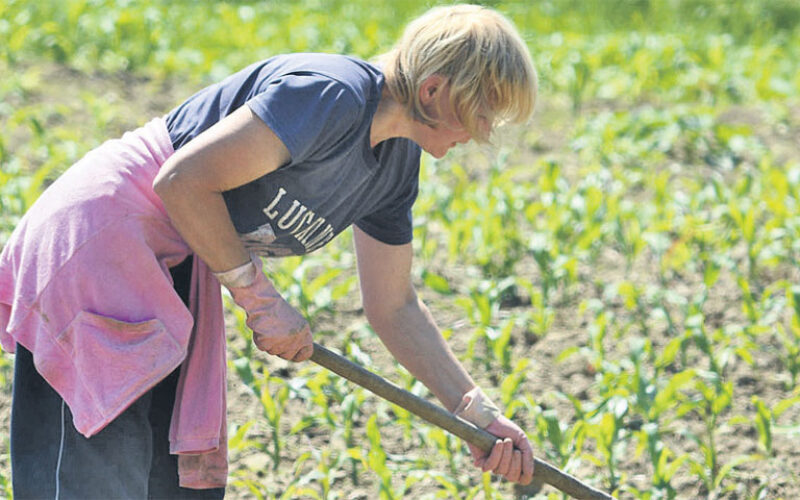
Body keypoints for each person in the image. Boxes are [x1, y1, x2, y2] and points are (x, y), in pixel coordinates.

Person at [0, 4, 538, 498]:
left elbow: (394, 306)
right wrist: (260, 300)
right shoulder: (330, 94)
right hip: (102, 244)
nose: (485, 133)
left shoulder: (396, 166)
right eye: (484, 112)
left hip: (178, 267)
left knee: (168, 483)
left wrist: (475, 412)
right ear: (434, 90)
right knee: (95, 475)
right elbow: (183, 181)